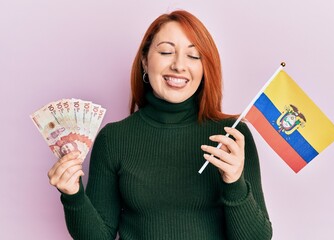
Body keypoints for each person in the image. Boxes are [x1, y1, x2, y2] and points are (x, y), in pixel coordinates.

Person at [48, 10, 272, 240]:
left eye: (194, 56)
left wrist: (234, 182)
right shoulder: (113, 138)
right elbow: (98, 236)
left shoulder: (230, 136)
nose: (179, 65)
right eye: (166, 51)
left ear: (205, 70)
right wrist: (72, 195)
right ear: (145, 61)